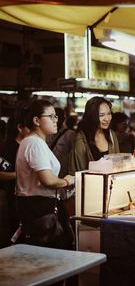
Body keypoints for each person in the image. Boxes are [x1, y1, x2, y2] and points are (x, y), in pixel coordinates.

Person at [15, 99, 75, 249]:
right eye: (51, 117)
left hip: (39, 207)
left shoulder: (35, 142)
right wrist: (67, 181)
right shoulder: (34, 143)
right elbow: (48, 180)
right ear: (36, 120)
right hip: (39, 209)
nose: (56, 120)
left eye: (56, 116)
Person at [0, 108, 30, 248]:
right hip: (13, 201)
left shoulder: (30, 145)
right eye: (29, 126)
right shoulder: (9, 148)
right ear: (20, 128)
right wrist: (20, 173)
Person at [68, 96, 119, 175]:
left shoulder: (111, 135)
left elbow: (117, 164)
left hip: (110, 184)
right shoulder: (81, 139)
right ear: (92, 116)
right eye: (101, 115)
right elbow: (77, 171)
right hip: (90, 185)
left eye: (109, 114)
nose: (107, 119)